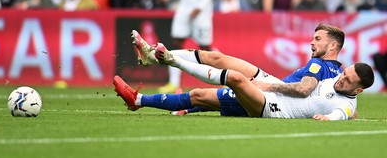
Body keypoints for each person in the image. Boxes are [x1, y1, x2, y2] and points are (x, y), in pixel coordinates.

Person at [114, 32, 374, 120]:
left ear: (332, 46)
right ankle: (155, 58)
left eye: (318, 38)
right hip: (274, 85)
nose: (311, 42)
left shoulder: (320, 67)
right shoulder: (337, 74)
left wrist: (334, 116)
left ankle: (170, 62)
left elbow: (308, 91)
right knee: (218, 60)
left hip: (274, 96)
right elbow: (347, 106)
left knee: (207, 92)